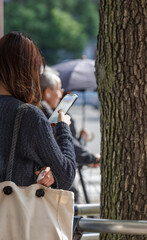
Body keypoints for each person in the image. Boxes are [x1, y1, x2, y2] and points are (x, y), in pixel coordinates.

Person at [0, 31, 76, 190]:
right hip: (13, 212)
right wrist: (63, 127)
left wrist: (40, 170)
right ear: (27, 70)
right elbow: (66, 175)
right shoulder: (27, 115)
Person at [40, 66, 100, 201]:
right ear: (47, 92)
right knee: (72, 196)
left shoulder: (44, 111)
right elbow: (66, 143)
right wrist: (90, 158)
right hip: (54, 179)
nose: (62, 93)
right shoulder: (44, 114)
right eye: (59, 88)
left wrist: (81, 140)